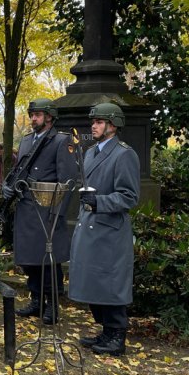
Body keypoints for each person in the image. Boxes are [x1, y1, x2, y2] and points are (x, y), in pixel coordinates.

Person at [69, 103, 140, 356]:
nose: (93, 125)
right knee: (94, 281)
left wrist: (100, 202)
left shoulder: (124, 154)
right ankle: (105, 331)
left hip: (109, 230)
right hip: (89, 226)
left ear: (112, 125)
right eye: (93, 122)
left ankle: (116, 336)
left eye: (99, 121)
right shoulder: (90, 152)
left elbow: (130, 197)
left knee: (110, 283)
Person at [2, 98, 75, 323]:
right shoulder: (26, 141)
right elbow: (19, 170)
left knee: (48, 261)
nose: (33, 118)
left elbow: (68, 181)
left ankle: (53, 304)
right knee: (29, 259)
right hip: (25, 208)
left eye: (38, 115)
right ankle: (36, 300)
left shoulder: (61, 141)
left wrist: (58, 213)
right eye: (32, 114)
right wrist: (8, 187)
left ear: (50, 117)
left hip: (46, 211)